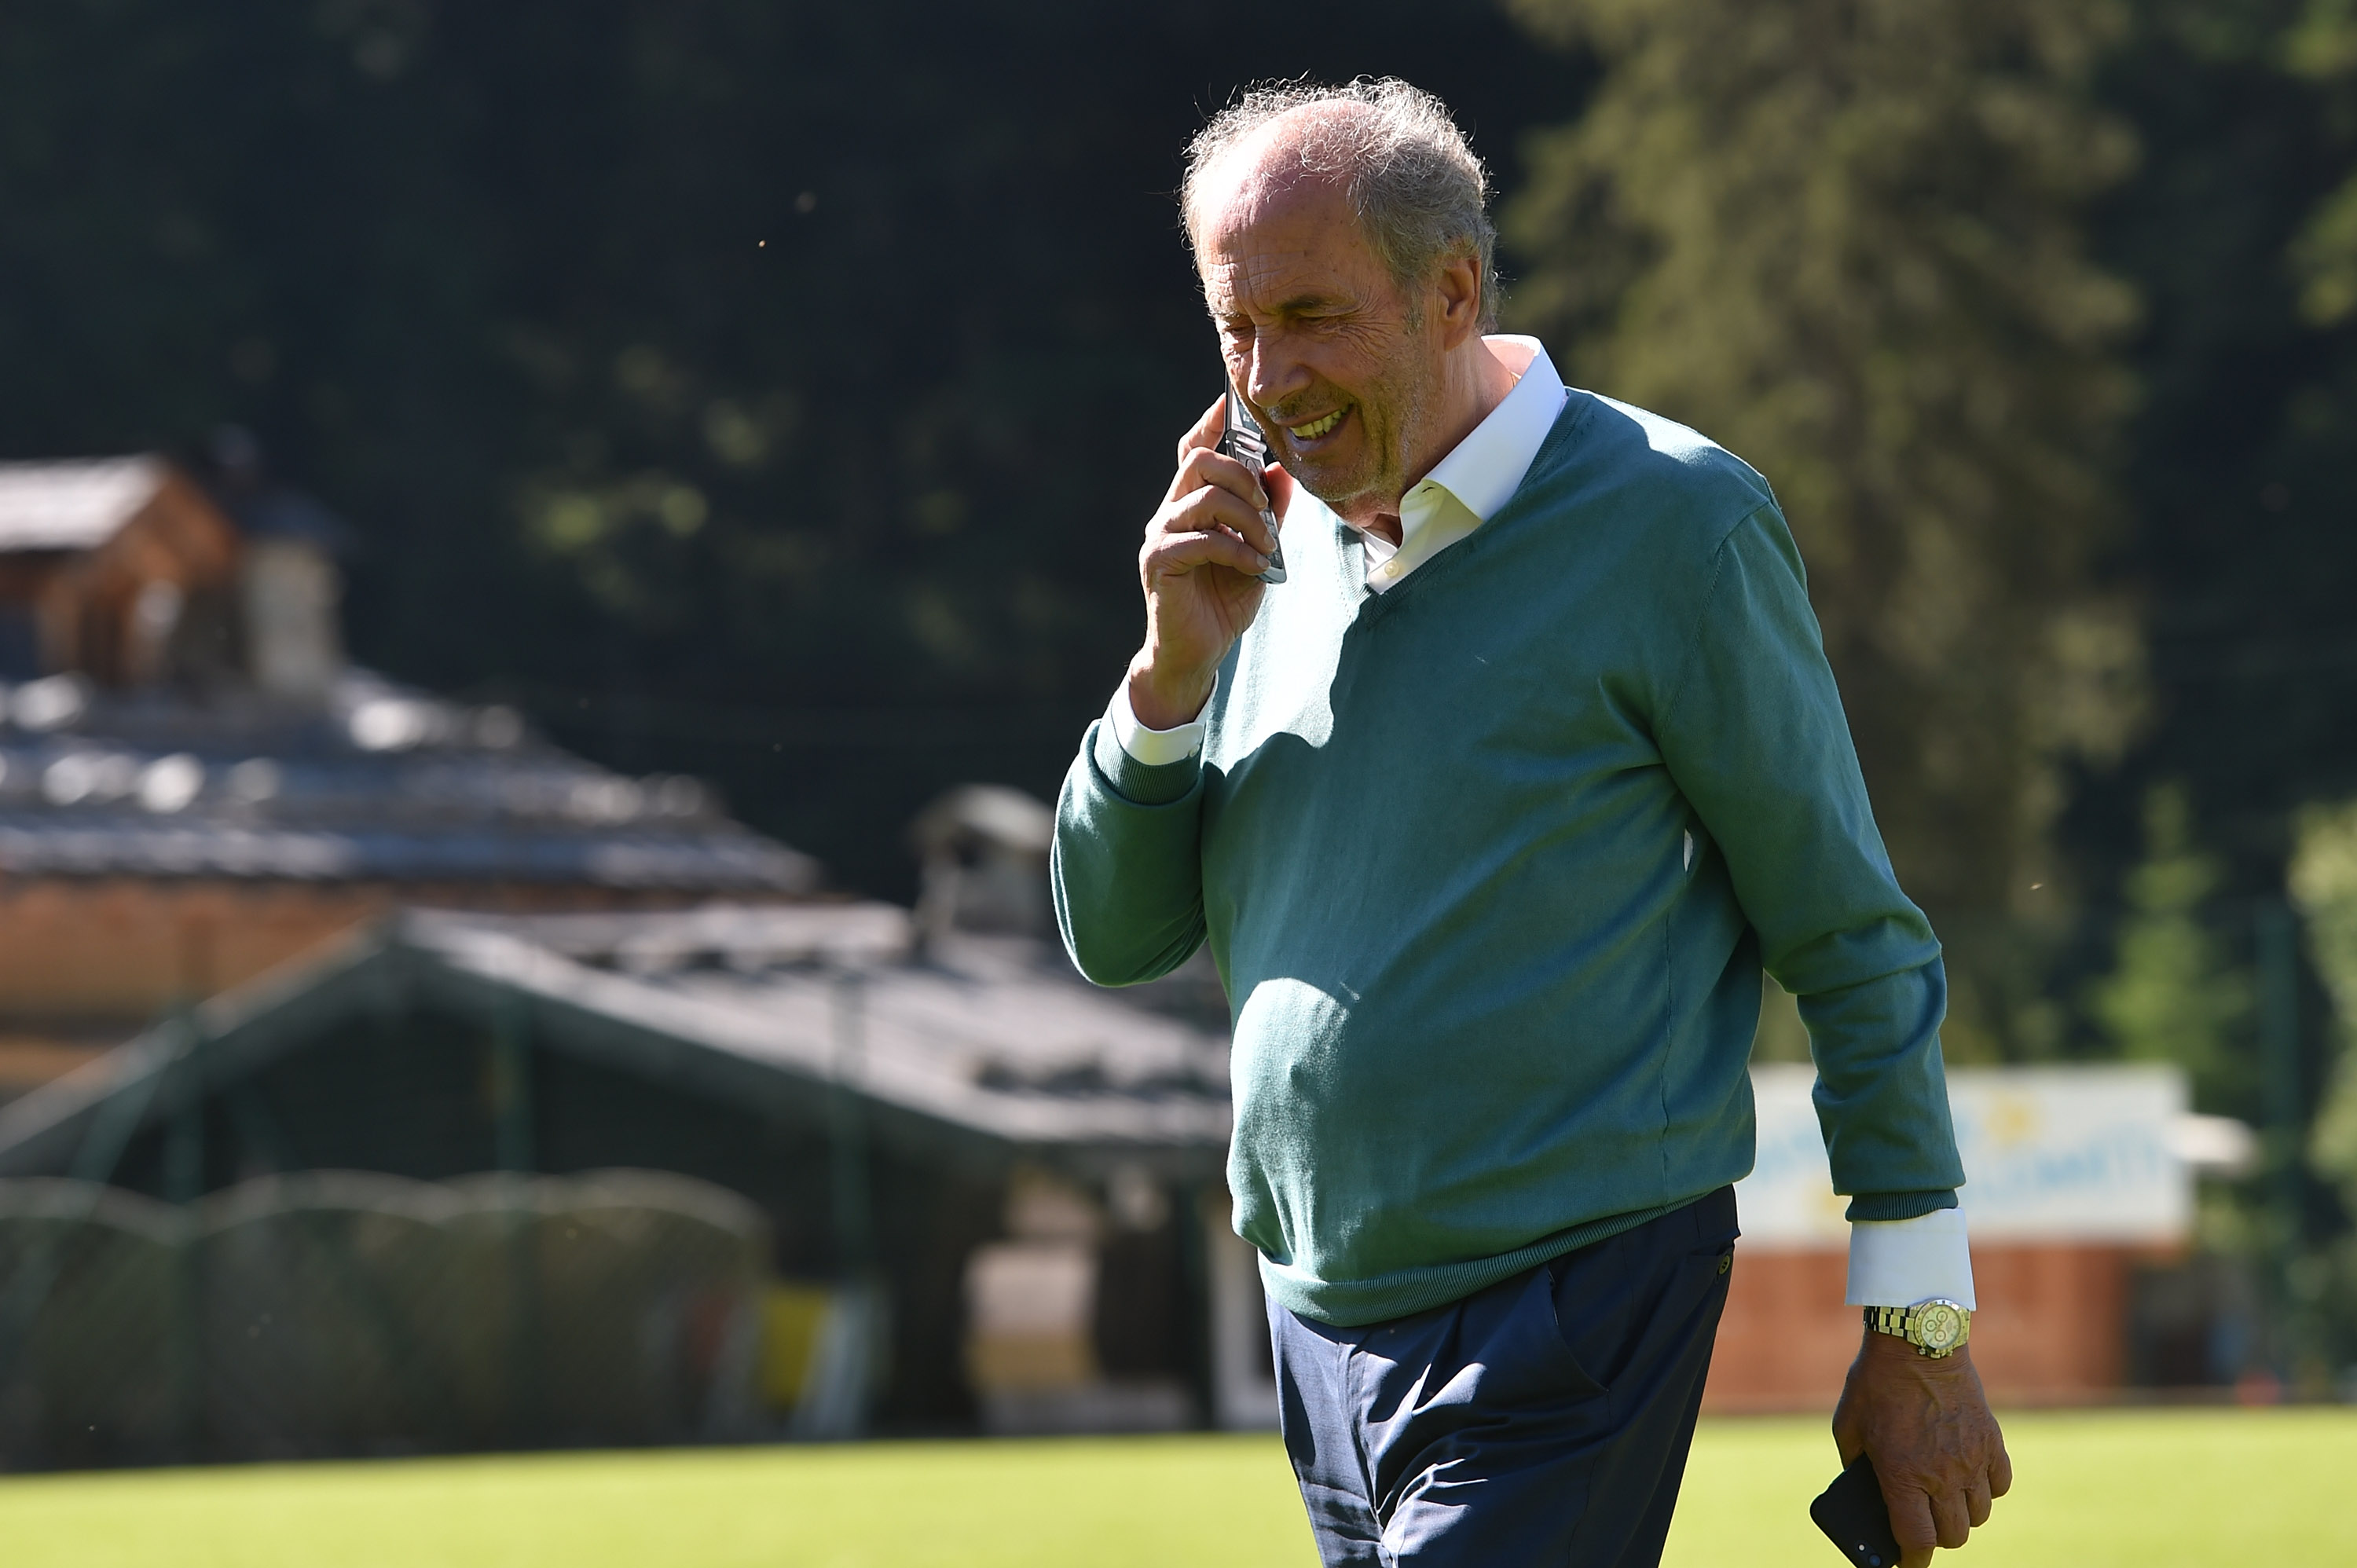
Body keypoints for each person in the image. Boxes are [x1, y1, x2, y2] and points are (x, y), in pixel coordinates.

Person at [1050, 78, 2011, 1567]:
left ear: (1451, 291)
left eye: (1312, 316)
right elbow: (1115, 938)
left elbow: (1853, 940)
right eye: (1235, 328)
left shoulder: (1676, 526)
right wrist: (1170, 673)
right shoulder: (1258, 552)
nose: (1267, 379)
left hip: (1571, 1299)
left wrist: (1921, 1327)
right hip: (1317, 1323)